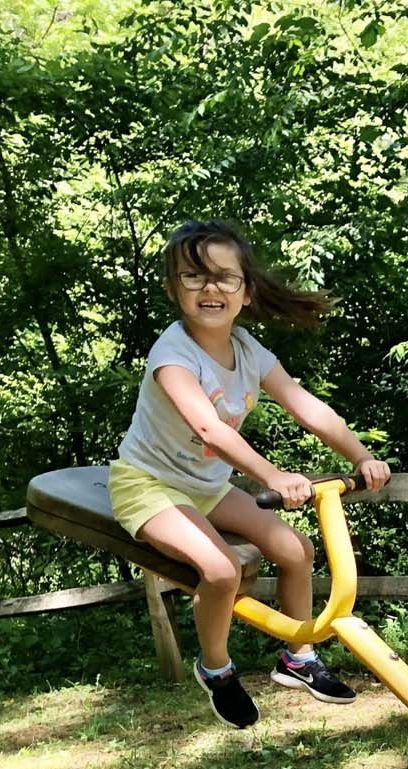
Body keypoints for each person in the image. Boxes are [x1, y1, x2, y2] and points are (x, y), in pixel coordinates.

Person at [108, 220, 391, 729]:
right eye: (194, 278)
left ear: (246, 291)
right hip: (147, 484)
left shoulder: (247, 350)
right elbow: (208, 428)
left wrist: (360, 455)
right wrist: (272, 474)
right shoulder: (172, 354)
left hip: (204, 485)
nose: (210, 288)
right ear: (174, 289)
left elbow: (305, 405)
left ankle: (298, 658)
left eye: (224, 278)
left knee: (296, 550)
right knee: (220, 570)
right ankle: (216, 668)